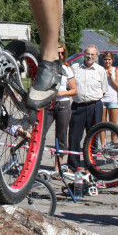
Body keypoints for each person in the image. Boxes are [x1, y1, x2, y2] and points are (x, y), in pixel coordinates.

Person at [67, 46, 107, 169]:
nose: (90, 56)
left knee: (93, 137)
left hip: (94, 106)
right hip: (77, 106)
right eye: (88, 54)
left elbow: (103, 90)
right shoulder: (75, 68)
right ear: (84, 54)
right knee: (74, 136)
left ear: (96, 56)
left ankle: (91, 164)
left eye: (92, 55)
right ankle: (73, 166)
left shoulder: (100, 70)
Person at [49, 44, 76, 172]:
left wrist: (62, 93)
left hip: (63, 104)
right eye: (57, 53)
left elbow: (74, 90)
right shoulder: (47, 68)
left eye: (62, 53)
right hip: (48, 105)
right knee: (39, 132)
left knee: (61, 136)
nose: (59, 56)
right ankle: (32, 165)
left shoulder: (67, 69)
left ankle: (58, 167)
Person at [100, 51, 118, 127]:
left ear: (112, 60)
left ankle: (113, 139)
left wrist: (111, 77)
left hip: (113, 99)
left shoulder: (116, 71)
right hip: (102, 99)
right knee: (102, 124)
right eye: (105, 59)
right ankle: (103, 139)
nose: (107, 61)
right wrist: (104, 77)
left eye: (109, 59)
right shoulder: (100, 70)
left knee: (113, 125)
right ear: (103, 60)